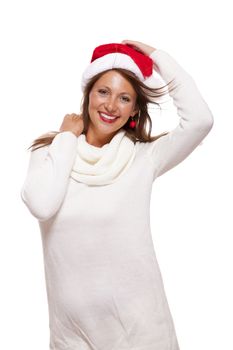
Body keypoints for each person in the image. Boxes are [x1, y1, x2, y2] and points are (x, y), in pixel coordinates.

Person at [20, 39, 214, 350]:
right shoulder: (52, 152)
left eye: (124, 98)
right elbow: (42, 205)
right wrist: (67, 138)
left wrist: (157, 57)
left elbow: (201, 120)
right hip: (73, 335)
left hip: (141, 331)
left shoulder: (144, 158)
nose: (111, 106)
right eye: (103, 92)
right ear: (88, 95)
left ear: (135, 109)